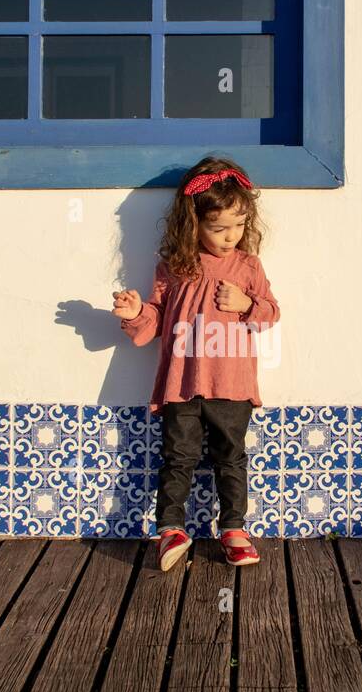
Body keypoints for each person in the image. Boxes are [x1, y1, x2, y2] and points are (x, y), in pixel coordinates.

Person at [112, 157, 281, 571]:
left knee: (231, 458)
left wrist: (247, 304)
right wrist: (135, 312)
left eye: (238, 226)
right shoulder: (175, 268)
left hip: (232, 385)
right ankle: (171, 528)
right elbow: (153, 322)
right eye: (218, 227)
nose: (229, 237)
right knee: (178, 458)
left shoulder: (248, 267)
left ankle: (234, 530)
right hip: (182, 385)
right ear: (193, 222)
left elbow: (272, 311)